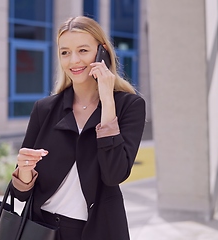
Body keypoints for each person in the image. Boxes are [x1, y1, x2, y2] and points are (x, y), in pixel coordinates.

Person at [11, 16, 146, 240]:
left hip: (98, 231)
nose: (74, 60)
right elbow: (20, 195)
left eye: (83, 50)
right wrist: (24, 171)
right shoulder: (44, 109)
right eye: (65, 52)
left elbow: (115, 174)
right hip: (41, 229)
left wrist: (107, 101)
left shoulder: (129, 106)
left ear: (102, 52)